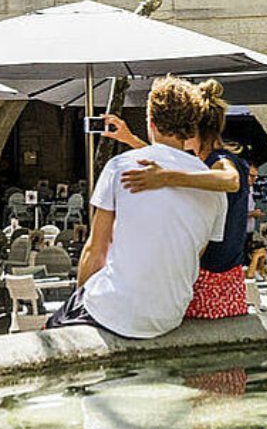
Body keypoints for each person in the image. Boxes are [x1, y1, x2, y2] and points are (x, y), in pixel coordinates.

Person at [45, 76, 226, 338]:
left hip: (114, 310)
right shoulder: (213, 185)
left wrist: (80, 300)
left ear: (150, 121)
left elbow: (95, 251)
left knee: (49, 335)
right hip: (170, 315)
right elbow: (191, 254)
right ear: (192, 125)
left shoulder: (121, 166)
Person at [99, 82, 254, 320]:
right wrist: (131, 140)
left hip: (209, 280)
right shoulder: (205, 164)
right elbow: (168, 160)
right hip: (227, 280)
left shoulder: (220, 159)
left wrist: (165, 178)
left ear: (192, 131)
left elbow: (230, 180)